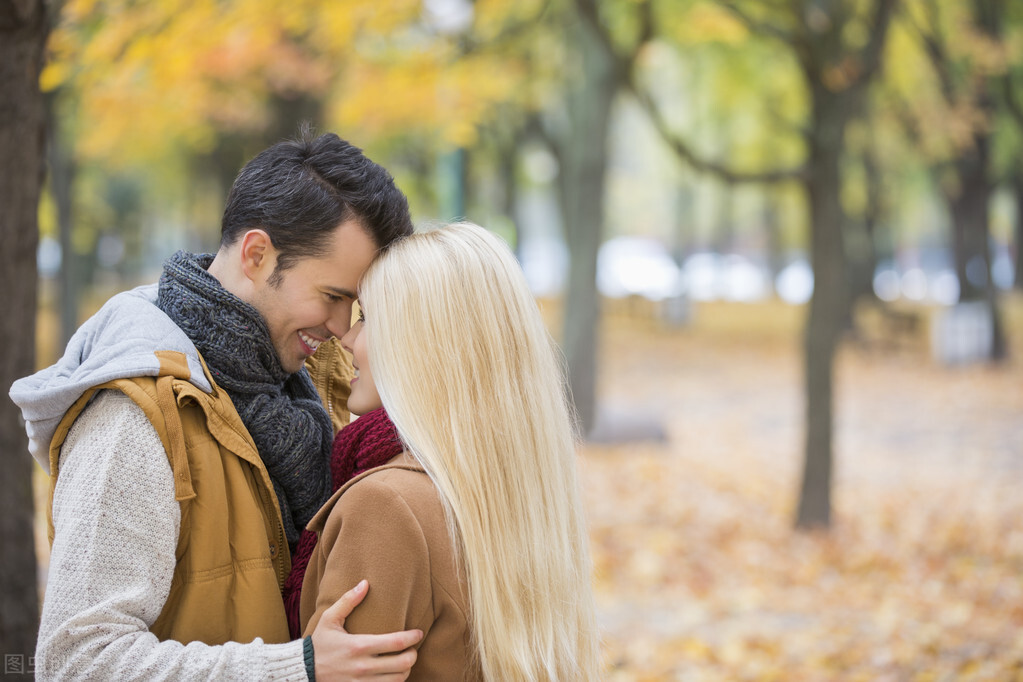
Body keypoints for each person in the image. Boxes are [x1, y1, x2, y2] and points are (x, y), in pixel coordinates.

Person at [9, 132, 424, 680]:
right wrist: (292, 668)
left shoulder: (306, 384)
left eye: (357, 305)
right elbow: (76, 660)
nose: (343, 327)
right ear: (257, 255)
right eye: (333, 296)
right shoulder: (133, 413)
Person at [296, 223, 601, 681]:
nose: (347, 338)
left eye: (369, 318)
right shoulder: (516, 486)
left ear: (421, 343)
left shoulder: (387, 506)